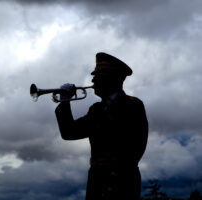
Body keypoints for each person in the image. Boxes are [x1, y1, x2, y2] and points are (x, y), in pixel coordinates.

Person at [55, 52, 148, 200]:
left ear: (111, 78)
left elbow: (136, 146)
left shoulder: (133, 105)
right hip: (96, 179)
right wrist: (64, 103)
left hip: (123, 181)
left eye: (97, 76)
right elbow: (69, 133)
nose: (93, 80)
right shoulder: (96, 109)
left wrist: (115, 178)